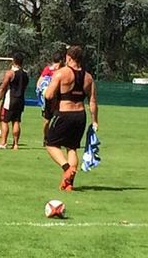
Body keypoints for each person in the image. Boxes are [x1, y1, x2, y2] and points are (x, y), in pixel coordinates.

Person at [44, 45, 99, 191]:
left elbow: (48, 95)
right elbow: (92, 101)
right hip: (80, 116)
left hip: (64, 114)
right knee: (72, 148)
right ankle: (69, 184)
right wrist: (95, 121)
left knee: (50, 144)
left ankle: (67, 168)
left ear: (69, 58)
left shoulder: (62, 73)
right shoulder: (88, 77)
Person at [0, 52, 29, 150]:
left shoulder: (10, 73)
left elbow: (2, 87)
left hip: (10, 99)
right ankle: (16, 144)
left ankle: (3, 143)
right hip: (20, 99)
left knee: (4, 121)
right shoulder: (25, 74)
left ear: (13, 61)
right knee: (16, 121)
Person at [36, 50, 65, 146]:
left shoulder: (63, 70)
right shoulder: (50, 70)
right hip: (51, 99)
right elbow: (40, 81)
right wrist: (39, 91)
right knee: (48, 121)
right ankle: (46, 137)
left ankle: (56, 139)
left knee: (57, 120)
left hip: (57, 99)